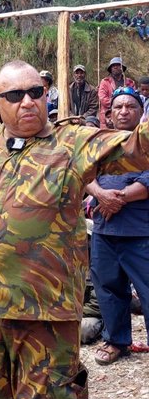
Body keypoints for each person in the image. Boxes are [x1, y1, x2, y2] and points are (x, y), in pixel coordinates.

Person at [0, 60, 149, 399]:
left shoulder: (72, 144)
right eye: (16, 95)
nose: (28, 102)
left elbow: (137, 148)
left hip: (48, 315)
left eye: (36, 92)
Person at [85, 88, 149, 365]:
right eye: (118, 107)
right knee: (109, 288)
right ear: (109, 114)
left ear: (140, 111)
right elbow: (83, 172)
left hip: (141, 230)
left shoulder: (146, 140)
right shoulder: (100, 142)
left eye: (130, 107)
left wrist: (119, 197)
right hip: (104, 232)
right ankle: (116, 341)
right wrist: (100, 194)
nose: (124, 111)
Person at [98, 57, 135, 128]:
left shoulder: (130, 82)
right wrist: (117, 104)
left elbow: (133, 99)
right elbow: (103, 99)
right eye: (113, 65)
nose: (115, 67)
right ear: (110, 69)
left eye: (118, 65)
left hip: (125, 116)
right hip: (108, 117)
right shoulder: (105, 82)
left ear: (122, 68)